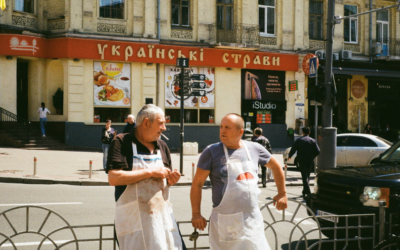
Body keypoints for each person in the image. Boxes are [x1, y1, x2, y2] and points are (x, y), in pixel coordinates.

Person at [190, 113, 287, 250]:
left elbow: (276, 167)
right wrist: (196, 214)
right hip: (226, 221)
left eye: (228, 127)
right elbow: (197, 183)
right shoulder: (211, 152)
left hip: (251, 220)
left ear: (240, 131)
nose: (222, 130)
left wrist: (282, 193)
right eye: (221, 127)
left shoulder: (255, 148)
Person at [106, 104, 186, 250]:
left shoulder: (162, 146)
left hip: (162, 219)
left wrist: (171, 179)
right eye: (161, 123)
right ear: (146, 123)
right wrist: (151, 172)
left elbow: (164, 180)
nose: (164, 128)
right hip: (134, 220)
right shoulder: (122, 142)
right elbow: (114, 178)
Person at [288, 127, 320, 199]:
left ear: (302, 132)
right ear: (309, 132)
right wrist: (312, 156)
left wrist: (289, 156)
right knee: (307, 175)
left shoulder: (299, 140)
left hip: (301, 160)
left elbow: (293, 148)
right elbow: (318, 151)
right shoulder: (313, 140)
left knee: (304, 176)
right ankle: (304, 191)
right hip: (310, 160)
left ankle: (308, 192)